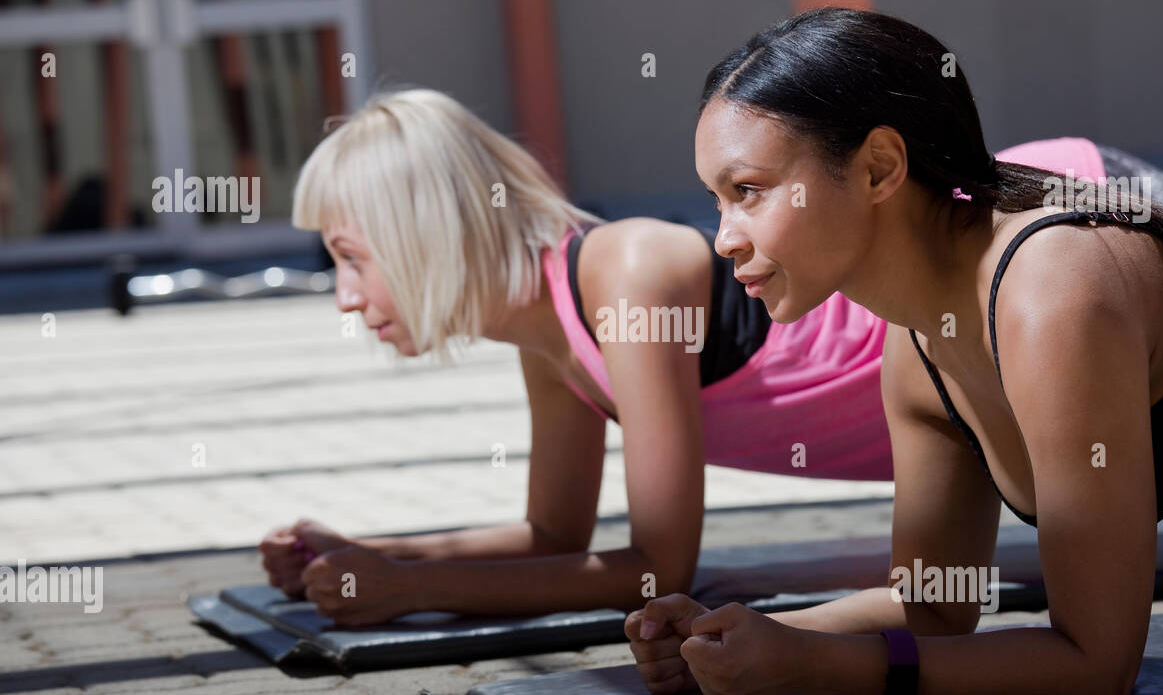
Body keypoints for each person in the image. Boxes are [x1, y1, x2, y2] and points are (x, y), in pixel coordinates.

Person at [628, 6, 1163, 695]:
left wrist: (810, 665)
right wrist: (730, 636)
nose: (723, 238)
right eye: (717, 200)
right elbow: (934, 605)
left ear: (879, 168)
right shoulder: (919, 349)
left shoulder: (1055, 288)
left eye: (749, 191)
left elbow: (1099, 666)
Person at [260, 87, 895, 626]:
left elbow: (659, 571)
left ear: (419, 237)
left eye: (350, 257)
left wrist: (410, 591)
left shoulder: (630, 271)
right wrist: (365, 556)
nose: (344, 297)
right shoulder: (548, 329)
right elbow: (553, 539)